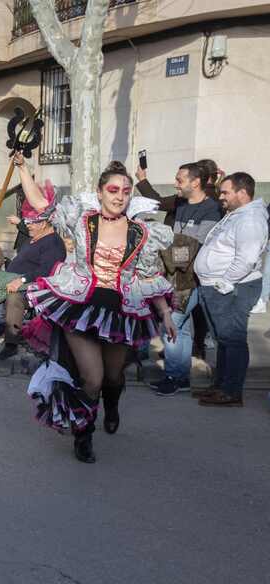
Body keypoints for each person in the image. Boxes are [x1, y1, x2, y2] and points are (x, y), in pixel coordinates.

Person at [19, 157, 175, 464]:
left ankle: (113, 405)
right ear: (100, 192)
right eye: (113, 189)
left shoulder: (141, 232)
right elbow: (41, 204)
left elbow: (148, 276)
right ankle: (84, 435)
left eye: (126, 191)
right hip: (80, 306)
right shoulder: (82, 220)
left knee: (112, 377)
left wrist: (166, 312)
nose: (119, 196)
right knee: (92, 378)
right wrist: (23, 169)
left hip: (121, 310)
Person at [193, 172, 268, 407]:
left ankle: (231, 392)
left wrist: (223, 283)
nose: (221, 197)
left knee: (233, 340)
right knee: (224, 339)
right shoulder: (238, 214)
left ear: (242, 193)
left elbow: (247, 259)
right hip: (220, 287)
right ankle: (221, 386)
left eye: (226, 192)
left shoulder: (250, 220)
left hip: (232, 288)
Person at [151, 163, 223, 396]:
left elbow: (196, 246)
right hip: (177, 278)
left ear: (196, 182)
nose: (175, 183)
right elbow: (176, 241)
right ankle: (179, 377)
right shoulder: (181, 205)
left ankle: (174, 376)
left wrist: (168, 250)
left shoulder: (211, 209)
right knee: (179, 328)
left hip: (195, 280)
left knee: (171, 323)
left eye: (180, 179)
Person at [0, 190, 67, 360]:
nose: (28, 226)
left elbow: (46, 270)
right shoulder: (34, 237)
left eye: (32, 223)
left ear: (44, 223)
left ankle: (11, 343)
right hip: (18, 279)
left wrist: (22, 279)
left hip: (40, 287)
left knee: (14, 298)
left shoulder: (54, 242)